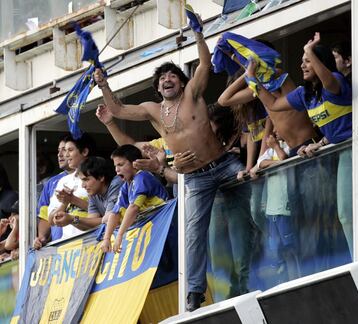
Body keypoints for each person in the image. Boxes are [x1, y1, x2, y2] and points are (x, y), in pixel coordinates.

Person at [94, 13, 253, 311]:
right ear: (157, 87)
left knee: (245, 218)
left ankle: (246, 276)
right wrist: (103, 84)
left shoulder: (193, 93)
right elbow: (117, 108)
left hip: (224, 165)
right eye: (162, 78)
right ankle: (194, 294)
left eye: (172, 76)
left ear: (181, 82)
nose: (167, 80)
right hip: (194, 178)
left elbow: (205, 65)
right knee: (193, 234)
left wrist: (198, 34)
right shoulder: (153, 109)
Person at [246, 32, 352, 262]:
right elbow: (273, 103)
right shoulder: (305, 94)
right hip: (339, 153)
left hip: (353, 150)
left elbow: (328, 83)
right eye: (302, 61)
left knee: (346, 212)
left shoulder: (335, 81)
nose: (302, 65)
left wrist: (309, 51)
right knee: (340, 214)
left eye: (307, 62)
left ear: (319, 62)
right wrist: (251, 78)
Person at [100, 145, 168, 253]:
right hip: (155, 231)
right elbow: (115, 213)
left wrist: (120, 235)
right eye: (115, 166)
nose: (117, 170)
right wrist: (106, 239)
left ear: (135, 164)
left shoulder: (142, 177)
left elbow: (134, 208)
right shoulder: (126, 186)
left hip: (167, 227)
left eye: (121, 165)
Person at [256, 131, 300, 285]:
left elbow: (284, 158)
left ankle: (296, 278)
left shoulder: (289, 145)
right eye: (272, 129)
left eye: (277, 128)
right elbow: (260, 164)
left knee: (290, 247)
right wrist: (276, 163)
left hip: (285, 206)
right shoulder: (269, 151)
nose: (274, 132)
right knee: (276, 247)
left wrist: (275, 148)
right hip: (271, 208)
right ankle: (284, 280)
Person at [48, 133, 96, 239]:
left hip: (93, 242)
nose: (65, 155)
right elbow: (51, 221)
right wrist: (64, 203)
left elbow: (104, 212)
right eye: (65, 150)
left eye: (70, 150)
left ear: (84, 152)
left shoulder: (97, 177)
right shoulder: (64, 181)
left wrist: (73, 200)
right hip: (68, 247)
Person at [33, 137, 73, 249]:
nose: (59, 154)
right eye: (58, 150)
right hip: (58, 247)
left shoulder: (88, 177)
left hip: (83, 240)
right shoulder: (52, 182)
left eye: (64, 150)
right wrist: (41, 238)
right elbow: (44, 215)